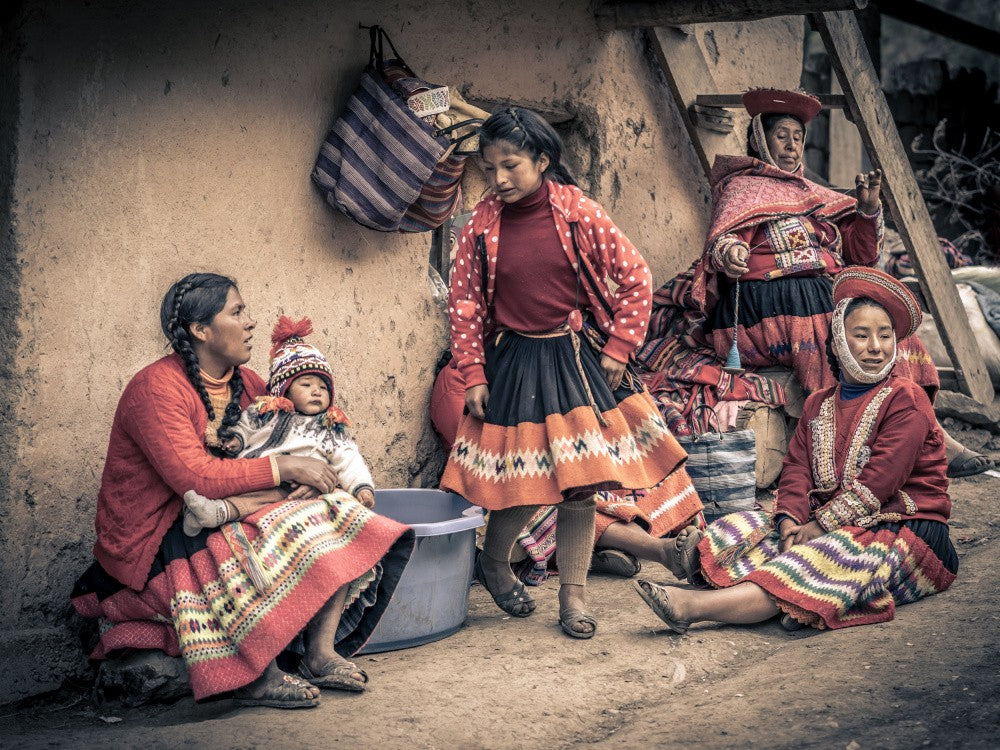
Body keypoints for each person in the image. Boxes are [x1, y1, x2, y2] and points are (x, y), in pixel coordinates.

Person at [71, 273, 414, 707]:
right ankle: (255, 673)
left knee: (335, 510)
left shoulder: (249, 384)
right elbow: (196, 479)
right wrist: (286, 469)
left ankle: (320, 652)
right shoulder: (156, 389)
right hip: (160, 532)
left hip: (228, 506)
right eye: (237, 312)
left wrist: (306, 481)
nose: (250, 322)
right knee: (236, 540)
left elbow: (288, 445)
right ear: (201, 330)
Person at [637, 87, 990, 478]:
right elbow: (724, 240)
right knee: (830, 331)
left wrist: (867, 211)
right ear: (760, 140)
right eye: (781, 136)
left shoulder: (814, 196)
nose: (792, 146)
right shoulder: (742, 189)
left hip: (816, 294)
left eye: (798, 137)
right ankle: (858, 447)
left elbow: (860, 257)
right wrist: (732, 252)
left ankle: (928, 434)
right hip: (761, 307)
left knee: (887, 327)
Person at [438, 107, 697, 639]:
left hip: (574, 360)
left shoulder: (578, 213)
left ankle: (572, 596)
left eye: (510, 165)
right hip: (514, 362)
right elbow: (464, 305)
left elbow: (636, 275)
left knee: (581, 485)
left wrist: (621, 345)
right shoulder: (480, 226)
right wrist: (473, 372)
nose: (499, 178)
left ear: (542, 160)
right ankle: (494, 563)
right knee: (525, 482)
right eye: (489, 167)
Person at [633, 267, 958, 633]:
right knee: (746, 527)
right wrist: (790, 520)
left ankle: (693, 608)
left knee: (820, 558)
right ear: (838, 342)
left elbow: (879, 482)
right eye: (862, 335)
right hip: (833, 521)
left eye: (885, 336)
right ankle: (778, 596)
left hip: (907, 531)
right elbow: (797, 470)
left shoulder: (907, 398)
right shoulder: (819, 403)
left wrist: (818, 527)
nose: (876, 347)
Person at [182, 316, 376, 536]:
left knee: (274, 496)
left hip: (292, 487)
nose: (316, 391)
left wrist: (362, 487)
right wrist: (237, 438)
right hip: (259, 472)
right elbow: (246, 424)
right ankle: (203, 510)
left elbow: (349, 460)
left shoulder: (328, 429)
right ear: (284, 391)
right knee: (238, 484)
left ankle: (219, 512)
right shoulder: (266, 411)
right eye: (306, 385)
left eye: (323, 387)